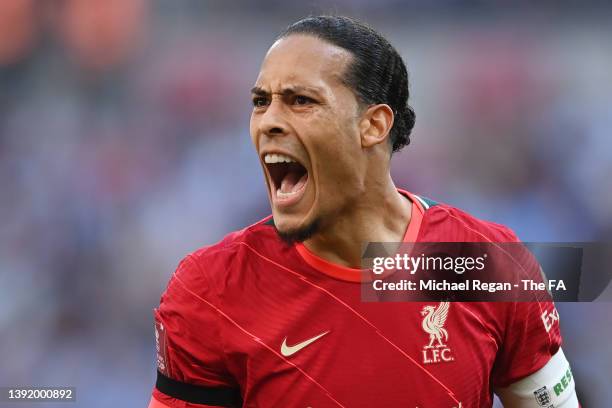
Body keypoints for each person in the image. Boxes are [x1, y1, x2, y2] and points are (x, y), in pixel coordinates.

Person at [148, 16, 579, 407]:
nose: (268, 122)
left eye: (300, 101)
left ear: (373, 125)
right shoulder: (211, 292)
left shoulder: (487, 262)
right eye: (261, 102)